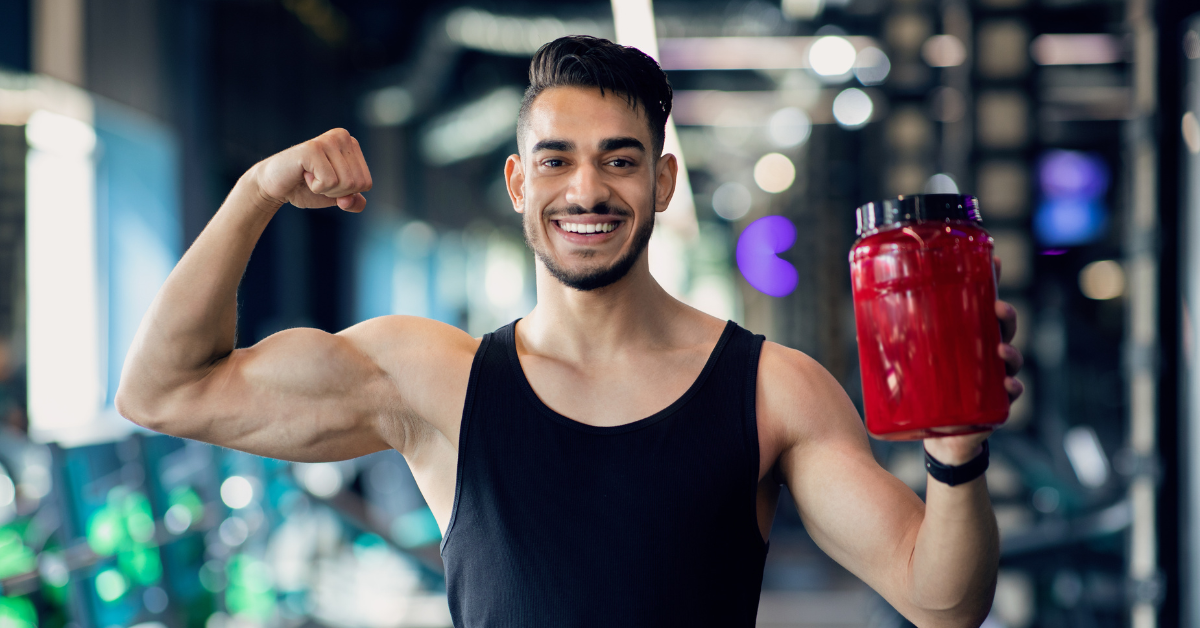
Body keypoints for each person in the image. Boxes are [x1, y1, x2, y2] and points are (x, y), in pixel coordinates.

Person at [117, 36, 1023, 627]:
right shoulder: (434, 378)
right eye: (557, 161)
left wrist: (958, 453)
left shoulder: (771, 389)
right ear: (520, 183)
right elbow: (162, 392)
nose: (586, 191)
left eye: (619, 162)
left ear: (662, 184)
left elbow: (940, 599)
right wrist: (257, 192)